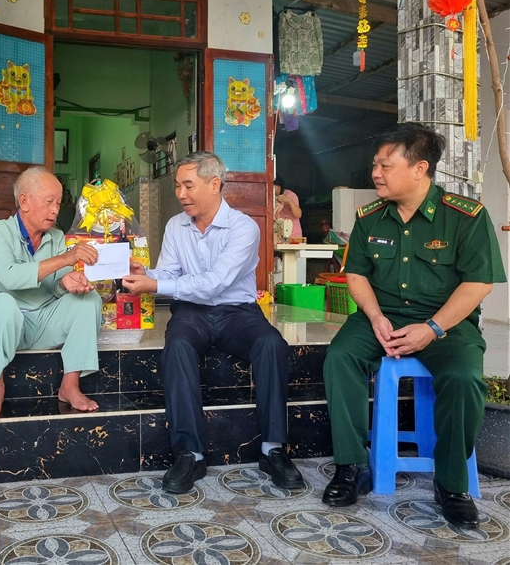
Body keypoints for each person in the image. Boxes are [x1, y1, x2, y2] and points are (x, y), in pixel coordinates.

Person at [321, 123, 506, 529]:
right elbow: (357, 274)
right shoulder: (370, 217)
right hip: (380, 318)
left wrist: (433, 329)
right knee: (340, 357)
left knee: (463, 377)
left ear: (420, 168)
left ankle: (452, 483)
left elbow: (479, 283)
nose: (376, 173)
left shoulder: (465, 217)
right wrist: (374, 316)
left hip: (446, 326)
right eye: (375, 164)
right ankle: (352, 467)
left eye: (386, 165)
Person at [122, 151, 303, 494]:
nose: (180, 194)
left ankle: (273, 449)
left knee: (272, 344)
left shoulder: (244, 228)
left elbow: (216, 283)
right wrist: (146, 274)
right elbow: (171, 273)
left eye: (188, 185)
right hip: (192, 312)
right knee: (176, 346)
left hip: (238, 313)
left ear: (214, 184)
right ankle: (189, 454)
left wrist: (157, 284)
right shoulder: (177, 225)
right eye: (178, 186)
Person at [0, 166, 103, 419]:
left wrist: (67, 283)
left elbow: (53, 287)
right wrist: (66, 259)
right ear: (24, 201)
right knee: (2, 303)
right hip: (7, 325)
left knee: (89, 299)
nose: (55, 209)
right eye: (49, 202)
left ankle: (70, 384)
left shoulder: (55, 237)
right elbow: (10, 276)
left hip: (44, 321)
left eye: (58, 202)